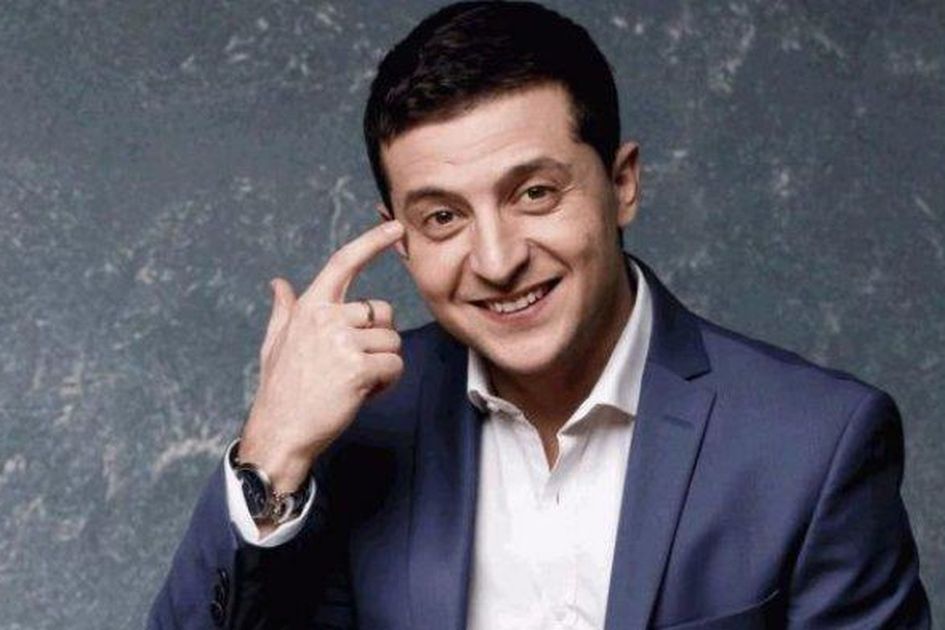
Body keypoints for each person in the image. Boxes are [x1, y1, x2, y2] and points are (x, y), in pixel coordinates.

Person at [148, 2, 931, 628]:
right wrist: (271, 450)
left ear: (622, 184)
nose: (496, 261)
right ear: (399, 237)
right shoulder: (355, 426)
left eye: (533, 193)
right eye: (442, 217)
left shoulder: (812, 443)